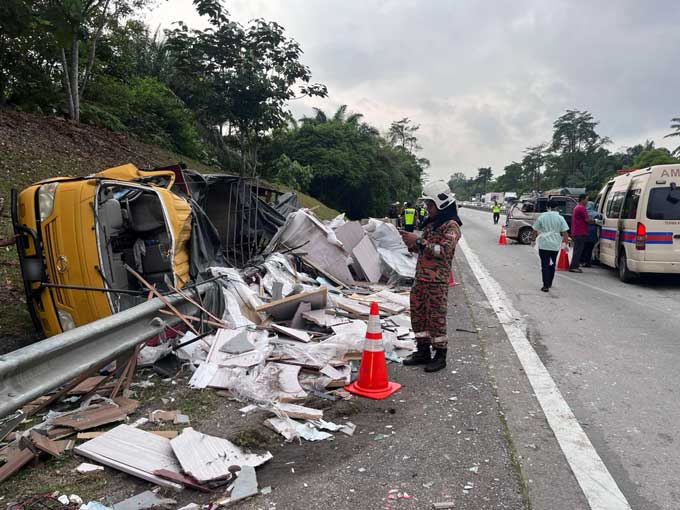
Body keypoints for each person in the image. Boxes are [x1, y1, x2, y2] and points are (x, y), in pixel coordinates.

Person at [399, 181, 462, 372]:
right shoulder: (432, 224)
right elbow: (424, 248)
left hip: (436, 281)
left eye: (430, 204)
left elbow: (442, 251)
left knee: (436, 319)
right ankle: (423, 351)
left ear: (441, 204)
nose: (428, 208)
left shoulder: (451, 227)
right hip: (421, 279)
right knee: (419, 316)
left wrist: (418, 241)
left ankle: (440, 355)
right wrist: (410, 242)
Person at [531, 199, 569, 292]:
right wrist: (564, 244)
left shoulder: (542, 216)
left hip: (544, 244)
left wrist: (533, 240)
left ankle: (545, 285)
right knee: (552, 264)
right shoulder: (560, 218)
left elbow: (535, 230)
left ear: (547, 207)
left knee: (545, 264)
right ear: (556, 208)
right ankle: (550, 282)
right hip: (555, 245)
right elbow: (565, 233)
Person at [569, 194, 590, 273]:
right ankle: (574, 266)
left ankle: (574, 265)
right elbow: (587, 220)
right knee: (578, 251)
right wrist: (595, 221)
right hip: (580, 232)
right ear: (582, 199)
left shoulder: (577, 207)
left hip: (576, 231)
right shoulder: (581, 208)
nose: (587, 201)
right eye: (586, 199)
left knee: (577, 250)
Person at [581, 201, 602, 267]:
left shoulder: (583, 212)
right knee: (590, 248)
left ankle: (581, 261)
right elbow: (599, 222)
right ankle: (588, 262)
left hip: (583, 231)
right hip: (592, 232)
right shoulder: (596, 214)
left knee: (583, 247)